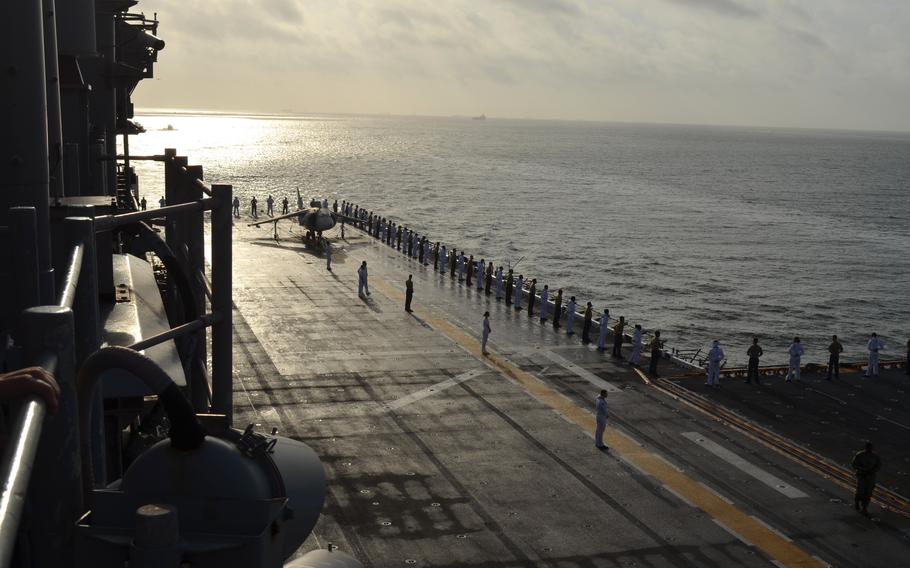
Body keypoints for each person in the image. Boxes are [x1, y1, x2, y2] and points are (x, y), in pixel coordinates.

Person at [851, 442, 882, 516]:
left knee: (868, 493)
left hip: (870, 476)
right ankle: (857, 503)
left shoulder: (875, 456)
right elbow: (854, 464)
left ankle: (864, 507)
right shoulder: (860, 455)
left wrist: (872, 471)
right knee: (860, 491)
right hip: (862, 475)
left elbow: (878, 466)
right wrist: (862, 469)